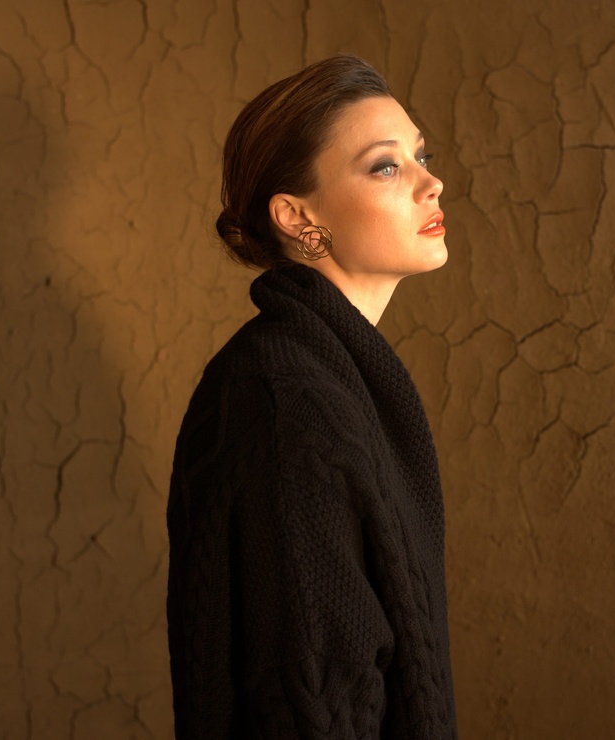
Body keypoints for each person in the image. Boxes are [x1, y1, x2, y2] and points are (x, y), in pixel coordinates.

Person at [166, 54, 457, 738]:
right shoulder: (285, 402)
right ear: (298, 217)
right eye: (386, 167)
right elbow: (314, 703)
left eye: (420, 156)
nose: (432, 182)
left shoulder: (333, 376)